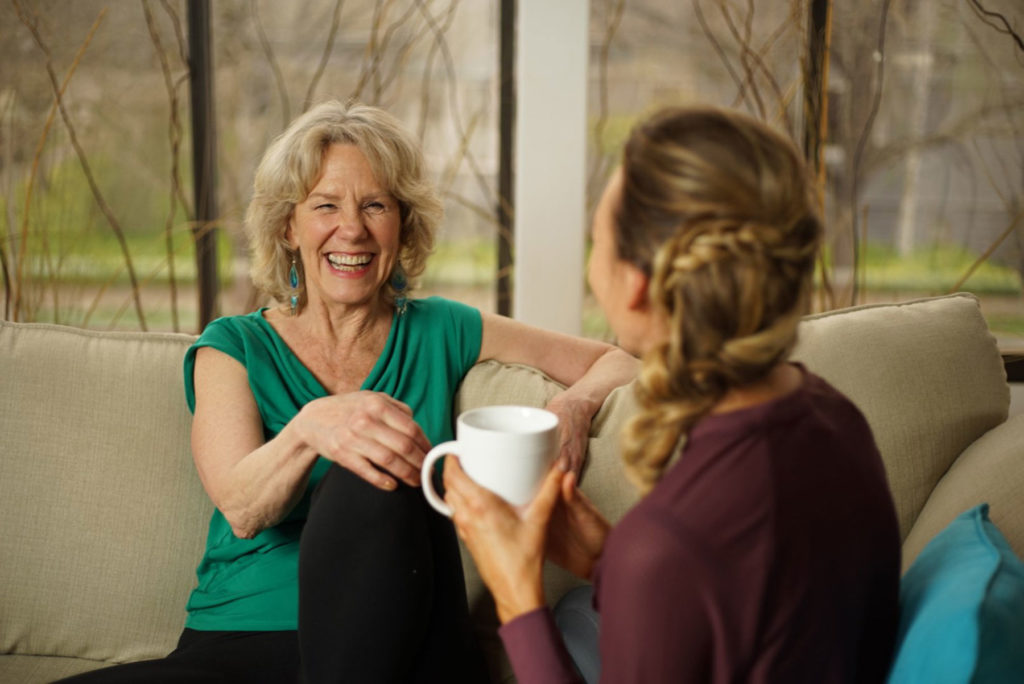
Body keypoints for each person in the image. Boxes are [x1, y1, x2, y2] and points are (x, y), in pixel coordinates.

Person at [57, 101, 637, 683]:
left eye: (375, 205)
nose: (352, 228)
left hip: (405, 642)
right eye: (325, 205)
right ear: (288, 226)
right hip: (243, 639)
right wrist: (315, 426)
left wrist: (573, 405)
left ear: (402, 223)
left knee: (374, 467)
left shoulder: (442, 329)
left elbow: (619, 361)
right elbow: (241, 506)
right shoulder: (232, 348)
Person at [444, 106, 902, 683]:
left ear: (636, 284)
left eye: (598, 243)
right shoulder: (834, 418)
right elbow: (755, 615)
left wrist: (515, 593)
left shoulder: (666, 549)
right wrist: (605, 562)